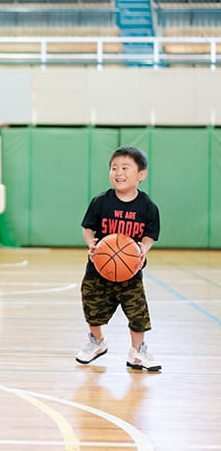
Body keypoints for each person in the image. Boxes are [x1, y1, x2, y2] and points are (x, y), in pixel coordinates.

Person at [75, 146, 162, 372]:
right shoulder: (101, 202)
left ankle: (137, 352)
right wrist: (91, 242)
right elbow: (87, 228)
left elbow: (151, 234)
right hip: (99, 269)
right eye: (114, 168)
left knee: (137, 312)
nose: (118, 173)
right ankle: (97, 342)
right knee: (92, 308)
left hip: (130, 271)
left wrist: (143, 247)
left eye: (125, 168)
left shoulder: (147, 206)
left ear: (141, 175)